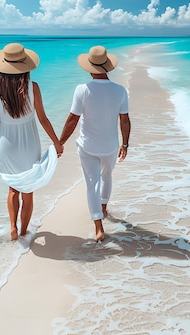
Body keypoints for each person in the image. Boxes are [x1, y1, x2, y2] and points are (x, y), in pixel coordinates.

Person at [0, 42, 62, 241]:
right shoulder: (33, 87)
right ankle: (23, 231)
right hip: (29, 143)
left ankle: (12, 227)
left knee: (13, 188)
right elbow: (43, 119)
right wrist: (56, 142)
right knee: (27, 190)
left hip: (5, 144)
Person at [57, 45, 131, 242]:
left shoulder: (82, 90)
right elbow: (124, 120)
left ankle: (98, 226)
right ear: (107, 67)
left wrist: (60, 142)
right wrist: (125, 144)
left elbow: (72, 119)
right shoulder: (120, 91)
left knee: (92, 184)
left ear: (90, 68)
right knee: (107, 176)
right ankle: (104, 208)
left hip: (88, 147)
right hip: (110, 146)